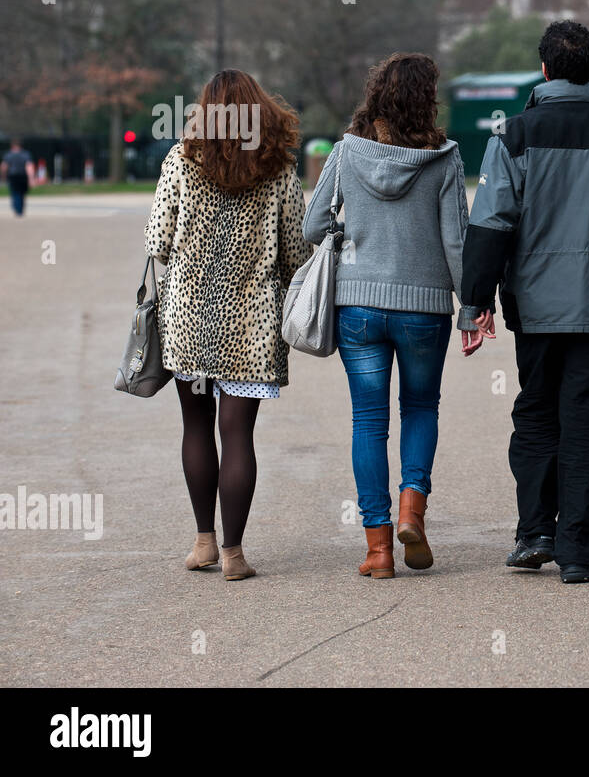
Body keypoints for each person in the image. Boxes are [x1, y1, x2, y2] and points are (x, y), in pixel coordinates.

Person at [461, 20, 589, 584]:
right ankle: (577, 545)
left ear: (545, 69)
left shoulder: (515, 135)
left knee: (537, 412)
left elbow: (491, 223)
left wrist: (474, 301)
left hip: (535, 303)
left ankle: (535, 531)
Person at [303, 53, 483, 580]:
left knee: (367, 423)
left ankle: (378, 550)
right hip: (424, 309)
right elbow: (457, 242)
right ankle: (412, 510)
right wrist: (471, 310)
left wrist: (350, 236)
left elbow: (315, 225)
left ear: (375, 94)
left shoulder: (345, 151)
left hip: (358, 305)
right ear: (427, 101)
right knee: (422, 409)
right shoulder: (445, 159)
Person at [145, 70, 312, 581]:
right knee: (238, 434)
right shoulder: (278, 167)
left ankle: (203, 543)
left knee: (196, 427)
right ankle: (235, 554)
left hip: (189, 320)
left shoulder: (180, 159)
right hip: (253, 324)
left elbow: (158, 241)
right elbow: (297, 253)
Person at [4, 140, 34, 217]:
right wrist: (31, 178)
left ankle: (17, 209)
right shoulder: (25, 154)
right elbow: (29, 166)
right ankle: (19, 209)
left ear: (12, 146)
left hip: (13, 176)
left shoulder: (9, 154)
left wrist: (3, 175)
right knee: (21, 193)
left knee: (15, 193)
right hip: (23, 176)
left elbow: (4, 166)